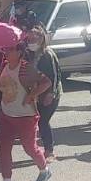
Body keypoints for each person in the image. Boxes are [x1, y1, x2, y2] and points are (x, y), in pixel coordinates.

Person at [0, 42, 52, 181]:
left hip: (26, 116)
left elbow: (46, 82)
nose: (6, 52)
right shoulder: (3, 66)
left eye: (10, 50)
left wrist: (32, 95)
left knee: (30, 148)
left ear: (19, 53)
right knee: (4, 148)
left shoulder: (26, 68)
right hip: (6, 115)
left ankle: (44, 170)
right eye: (5, 49)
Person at [25, 26, 62, 159]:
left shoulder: (48, 54)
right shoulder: (29, 53)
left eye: (33, 39)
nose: (30, 42)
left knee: (43, 121)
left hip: (50, 93)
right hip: (37, 92)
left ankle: (49, 149)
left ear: (41, 39)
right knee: (36, 121)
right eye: (28, 39)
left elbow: (55, 75)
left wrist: (51, 94)